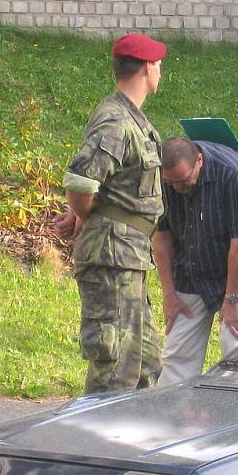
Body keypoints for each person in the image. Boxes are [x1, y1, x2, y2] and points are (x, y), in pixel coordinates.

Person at [54, 33, 166, 394]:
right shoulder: (116, 121)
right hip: (113, 257)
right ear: (148, 68)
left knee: (145, 366)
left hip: (128, 256)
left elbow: (108, 183)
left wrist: (94, 211)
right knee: (115, 370)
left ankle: (135, 447)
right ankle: (94, 447)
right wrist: (88, 216)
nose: (160, 72)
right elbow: (81, 182)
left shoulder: (130, 117)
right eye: (159, 66)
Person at [153, 137, 238, 386]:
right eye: (170, 183)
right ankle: (171, 417)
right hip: (189, 271)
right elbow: (161, 237)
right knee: (177, 354)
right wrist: (169, 295)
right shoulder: (161, 178)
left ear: (199, 161)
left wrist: (232, 300)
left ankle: (235, 417)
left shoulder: (231, 172)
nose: (177, 187)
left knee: (237, 353)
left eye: (183, 181)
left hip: (237, 275)